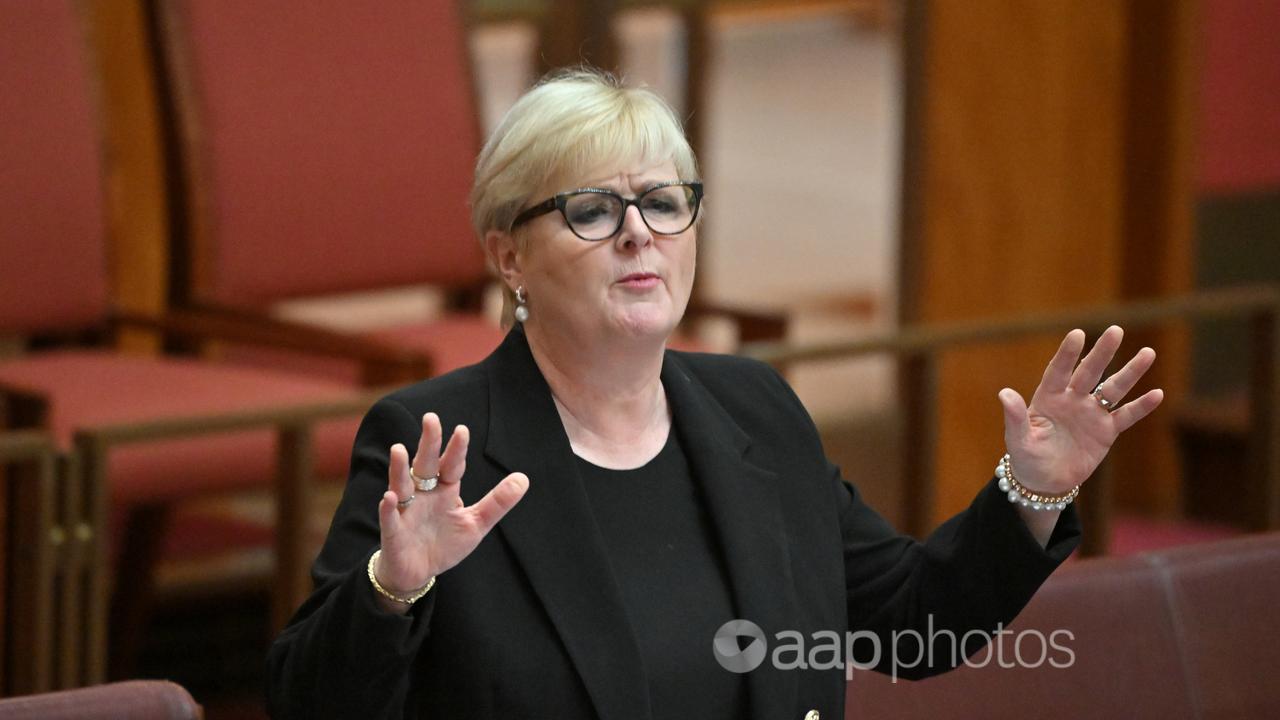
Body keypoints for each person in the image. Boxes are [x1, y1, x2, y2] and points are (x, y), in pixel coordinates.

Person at [265, 69, 1163, 720]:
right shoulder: (440, 444)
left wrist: (1035, 489)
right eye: (590, 211)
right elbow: (310, 704)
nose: (637, 236)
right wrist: (393, 587)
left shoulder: (753, 411)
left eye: (663, 201)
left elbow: (909, 621)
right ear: (508, 256)